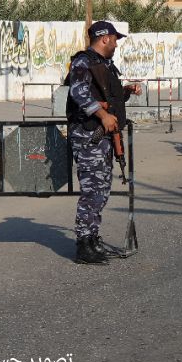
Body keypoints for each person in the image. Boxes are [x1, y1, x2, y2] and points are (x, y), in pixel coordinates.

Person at [65, 21, 143, 264]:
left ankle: (92, 238)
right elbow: (78, 93)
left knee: (101, 190)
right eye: (115, 39)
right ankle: (83, 245)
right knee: (92, 191)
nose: (117, 44)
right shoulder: (83, 61)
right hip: (89, 136)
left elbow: (105, 95)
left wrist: (126, 91)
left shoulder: (104, 65)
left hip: (104, 137)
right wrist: (102, 115)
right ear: (104, 38)